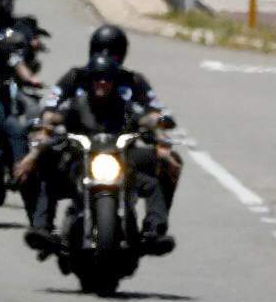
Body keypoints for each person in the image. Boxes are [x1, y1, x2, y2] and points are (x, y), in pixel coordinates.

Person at [19, 54, 179, 256]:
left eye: (108, 78)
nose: (102, 83)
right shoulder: (77, 105)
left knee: (155, 179)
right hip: (80, 166)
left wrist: (161, 133)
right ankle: (42, 227)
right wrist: (37, 141)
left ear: (114, 82)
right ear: (89, 81)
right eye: (97, 78)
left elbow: (149, 119)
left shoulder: (125, 107)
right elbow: (52, 118)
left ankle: (153, 231)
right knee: (48, 173)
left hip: (120, 165)